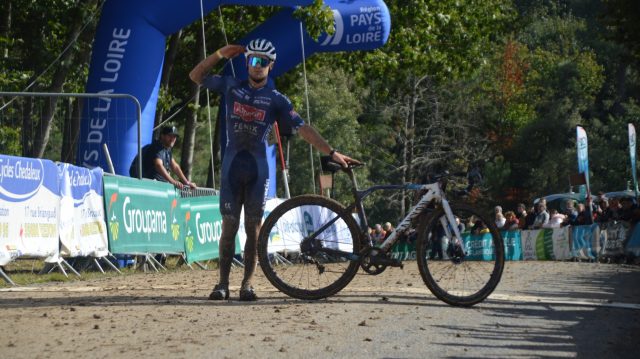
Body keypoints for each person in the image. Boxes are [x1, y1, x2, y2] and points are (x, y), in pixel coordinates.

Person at [189, 39, 358, 301]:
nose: (257, 67)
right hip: (232, 168)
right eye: (253, 61)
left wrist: (331, 152)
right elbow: (196, 75)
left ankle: (247, 284)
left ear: (271, 66)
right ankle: (222, 284)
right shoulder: (232, 86)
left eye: (263, 62)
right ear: (247, 63)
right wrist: (220, 53)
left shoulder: (276, 100)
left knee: (254, 228)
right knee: (229, 227)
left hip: (258, 171)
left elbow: (303, 129)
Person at [129, 125, 197, 190]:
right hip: (149, 186)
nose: (172, 139)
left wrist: (187, 182)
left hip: (159, 186)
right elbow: (158, 165)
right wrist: (172, 181)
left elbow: (175, 166)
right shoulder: (157, 147)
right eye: (170, 136)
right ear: (162, 136)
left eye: (174, 137)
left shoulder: (167, 149)